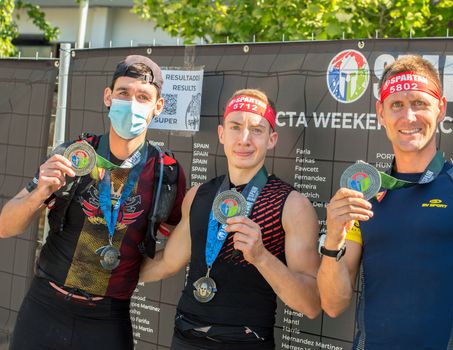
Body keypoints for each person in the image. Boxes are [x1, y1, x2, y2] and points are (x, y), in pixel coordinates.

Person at [317, 55, 453, 350]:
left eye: (419, 103)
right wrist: (332, 241)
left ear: (441, 108)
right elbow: (333, 305)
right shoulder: (363, 195)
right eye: (397, 105)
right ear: (381, 113)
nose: (408, 117)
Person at [0, 55, 186, 350]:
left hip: (107, 321)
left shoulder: (166, 172)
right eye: (124, 93)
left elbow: (177, 249)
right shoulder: (76, 153)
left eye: (143, 97)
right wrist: (38, 194)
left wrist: (130, 273)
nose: (132, 103)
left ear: (157, 107)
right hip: (44, 308)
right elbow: (5, 226)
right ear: (108, 97)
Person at [140, 88, 321, 349]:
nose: (244, 139)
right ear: (222, 134)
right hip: (185, 337)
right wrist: (105, 273)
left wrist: (261, 257)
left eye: (257, 129)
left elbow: (311, 304)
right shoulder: (198, 195)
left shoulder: (293, 206)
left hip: (245, 342)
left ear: (272, 139)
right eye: (235, 127)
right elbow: (167, 262)